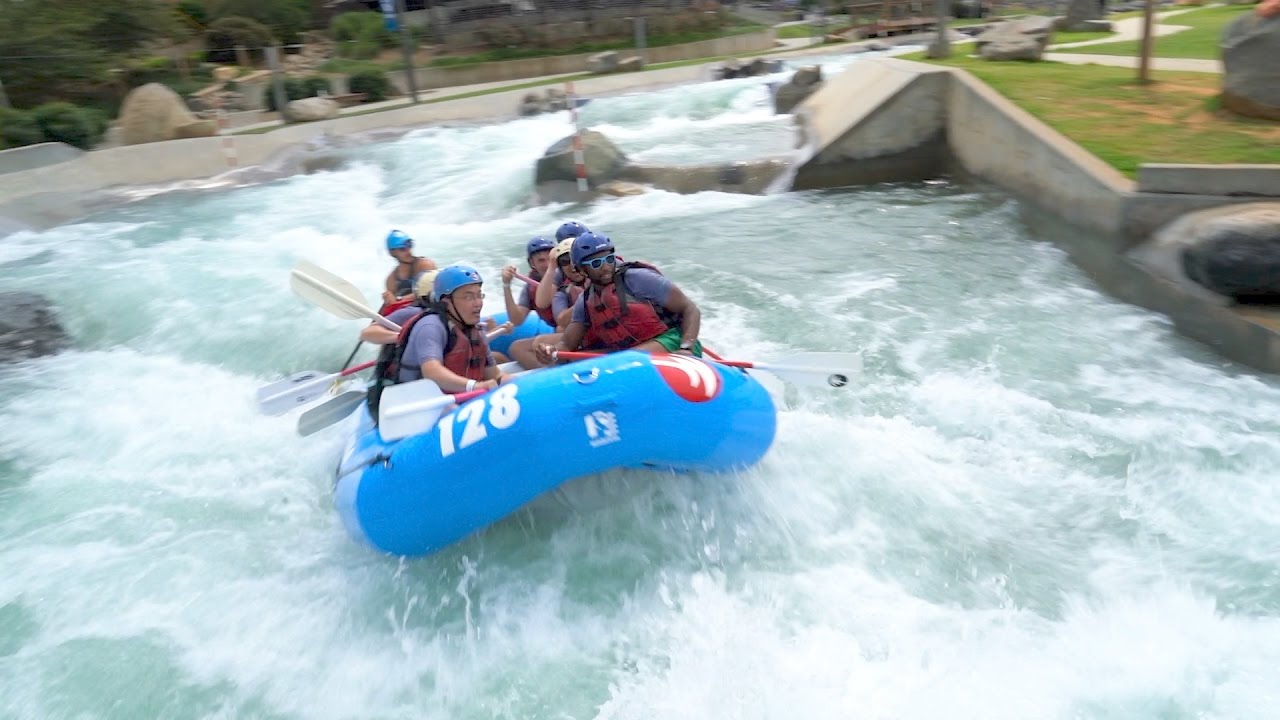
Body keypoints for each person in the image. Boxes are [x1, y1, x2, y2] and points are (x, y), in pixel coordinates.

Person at [534, 232, 702, 365]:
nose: (606, 267)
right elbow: (567, 344)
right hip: (628, 353)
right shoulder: (585, 301)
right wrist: (551, 352)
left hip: (672, 341)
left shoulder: (638, 278)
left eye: (608, 259)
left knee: (625, 359)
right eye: (596, 263)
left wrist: (686, 347)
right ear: (581, 270)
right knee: (570, 360)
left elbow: (690, 308)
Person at [367, 266, 513, 419]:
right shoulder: (431, 326)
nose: (478, 303)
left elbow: (494, 374)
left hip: (454, 398)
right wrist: (475, 386)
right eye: (468, 297)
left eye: (479, 295)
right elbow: (432, 371)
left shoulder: (474, 329)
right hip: (413, 404)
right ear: (446, 302)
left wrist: (514, 384)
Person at [501, 237, 556, 328]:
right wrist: (506, 285)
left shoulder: (566, 278)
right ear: (532, 263)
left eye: (550, 259)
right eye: (541, 260)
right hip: (561, 332)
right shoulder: (530, 288)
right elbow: (516, 320)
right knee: (517, 343)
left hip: (572, 330)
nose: (547, 264)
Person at [381, 229, 437, 307]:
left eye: (409, 246)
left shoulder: (424, 265)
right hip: (406, 310)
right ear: (392, 253)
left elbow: (428, 291)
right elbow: (391, 304)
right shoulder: (391, 280)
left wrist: (398, 300)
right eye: (402, 249)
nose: (408, 251)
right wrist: (388, 300)